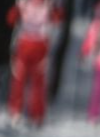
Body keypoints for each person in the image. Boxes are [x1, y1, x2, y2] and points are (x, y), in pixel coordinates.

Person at [7, 0, 63, 128]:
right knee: (19, 79)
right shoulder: (24, 3)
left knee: (38, 81)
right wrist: (17, 9)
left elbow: (58, 18)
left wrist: (55, 9)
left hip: (40, 44)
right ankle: (16, 111)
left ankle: (37, 114)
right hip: (24, 43)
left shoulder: (48, 4)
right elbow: (11, 19)